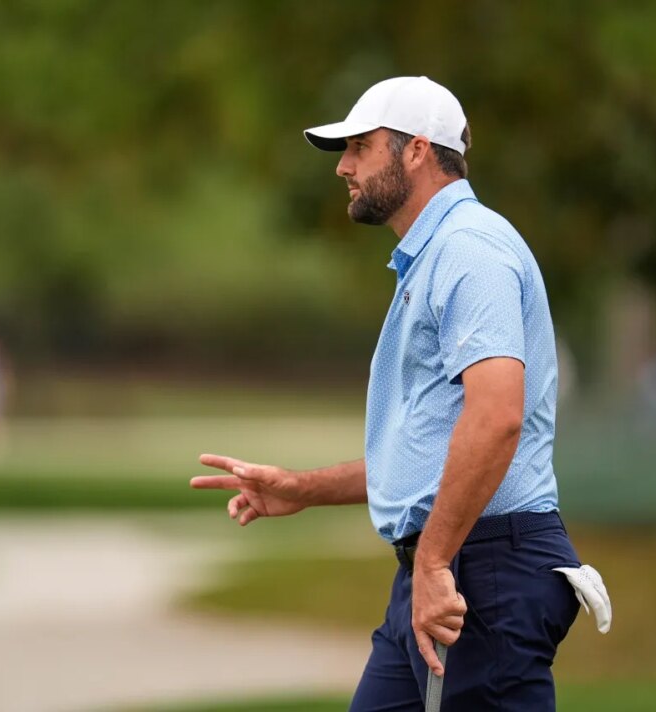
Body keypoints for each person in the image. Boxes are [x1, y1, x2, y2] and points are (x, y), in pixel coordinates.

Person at [192, 76, 588, 709]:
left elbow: (495, 419)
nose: (344, 167)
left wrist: (433, 564)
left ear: (416, 151)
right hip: (447, 563)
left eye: (360, 147)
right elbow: (429, 456)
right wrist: (304, 488)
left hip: (480, 571)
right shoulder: (433, 257)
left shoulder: (469, 250)